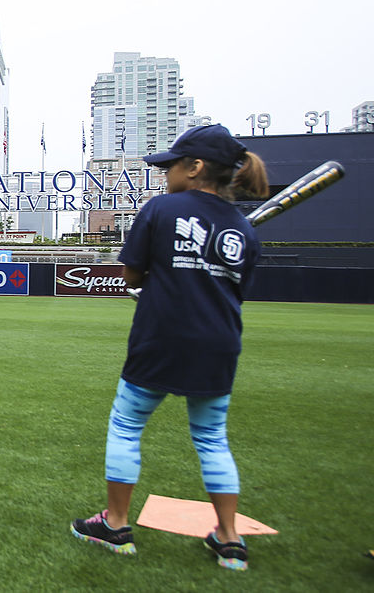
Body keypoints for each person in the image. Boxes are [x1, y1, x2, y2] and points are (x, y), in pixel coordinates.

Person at [70, 124, 269, 571]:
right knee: (212, 438)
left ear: (195, 167)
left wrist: (162, 276)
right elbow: (237, 290)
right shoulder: (242, 229)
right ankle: (230, 539)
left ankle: (116, 524)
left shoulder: (160, 209)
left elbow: (132, 275)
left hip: (161, 336)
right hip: (218, 342)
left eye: (172, 166)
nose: (165, 175)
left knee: (126, 426)